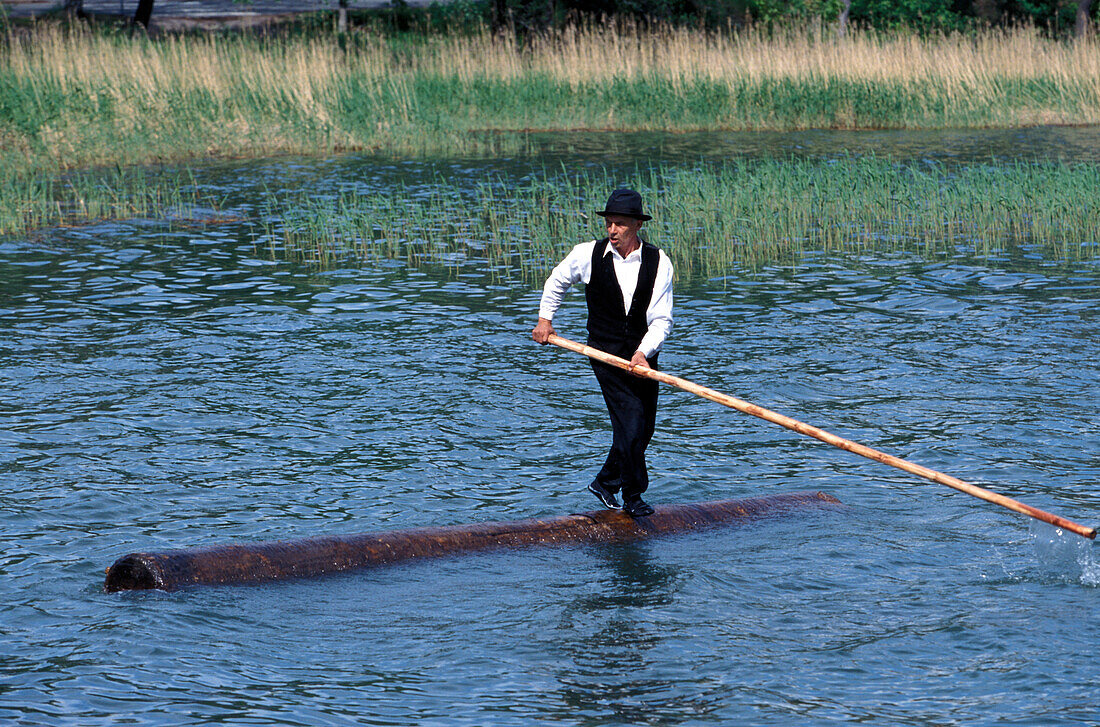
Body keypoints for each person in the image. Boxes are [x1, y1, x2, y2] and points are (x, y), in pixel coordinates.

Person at [532, 188, 674, 518]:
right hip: (604, 354)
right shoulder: (588, 254)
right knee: (632, 420)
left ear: (637, 225)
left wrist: (642, 353)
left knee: (644, 427)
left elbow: (662, 319)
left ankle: (605, 482)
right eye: (609, 223)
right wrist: (545, 320)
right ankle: (634, 495)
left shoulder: (658, 262)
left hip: (642, 356)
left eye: (620, 224)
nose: (612, 231)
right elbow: (557, 280)